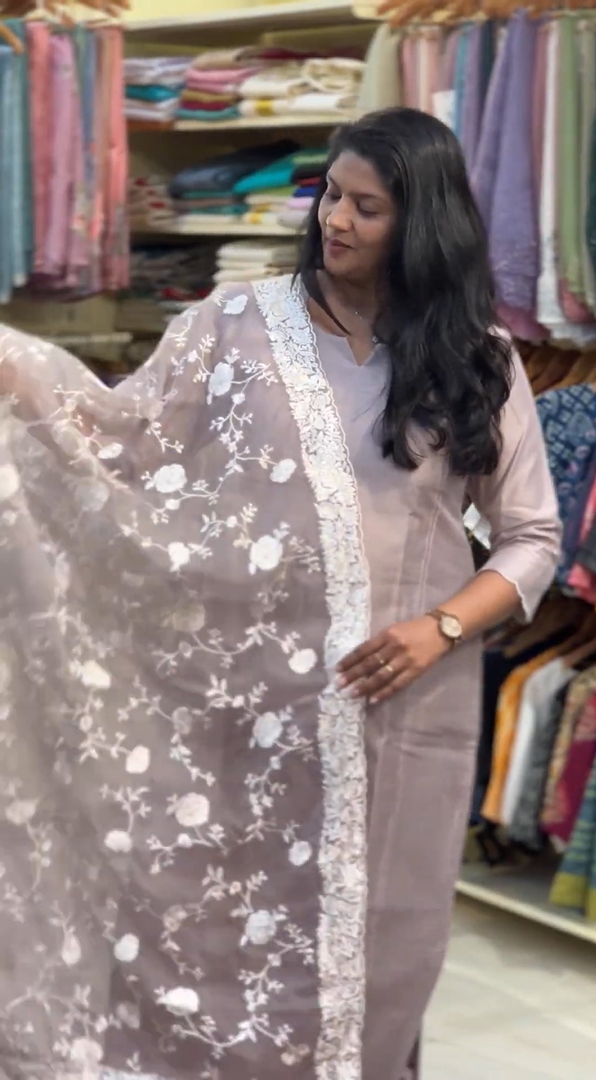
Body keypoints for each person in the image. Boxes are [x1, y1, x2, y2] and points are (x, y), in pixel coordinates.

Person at [0, 108, 559, 1081]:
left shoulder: (478, 358)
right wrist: (18, 373)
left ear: (422, 222)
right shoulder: (232, 326)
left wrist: (438, 628)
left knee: (385, 934)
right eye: (329, 194)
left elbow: (532, 539)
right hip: (250, 705)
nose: (334, 219)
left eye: (366, 207)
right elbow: (119, 445)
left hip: (403, 700)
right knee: (224, 923)